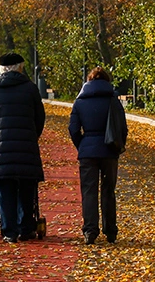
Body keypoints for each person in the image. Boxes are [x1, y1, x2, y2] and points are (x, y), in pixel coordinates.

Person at [0, 52, 46, 243]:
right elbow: (39, 118)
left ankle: (9, 231)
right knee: (27, 185)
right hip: (26, 144)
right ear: (20, 67)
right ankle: (26, 228)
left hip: (0, 147)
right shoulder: (30, 88)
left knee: (4, 186)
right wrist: (32, 136)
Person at [68, 67, 126, 244]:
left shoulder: (80, 102)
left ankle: (90, 231)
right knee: (108, 191)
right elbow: (122, 128)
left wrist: (83, 145)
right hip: (109, 151)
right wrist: (118, 145)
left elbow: (73, 129)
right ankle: (111, 231)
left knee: (89, 191)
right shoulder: (113, 101)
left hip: (88, 151)